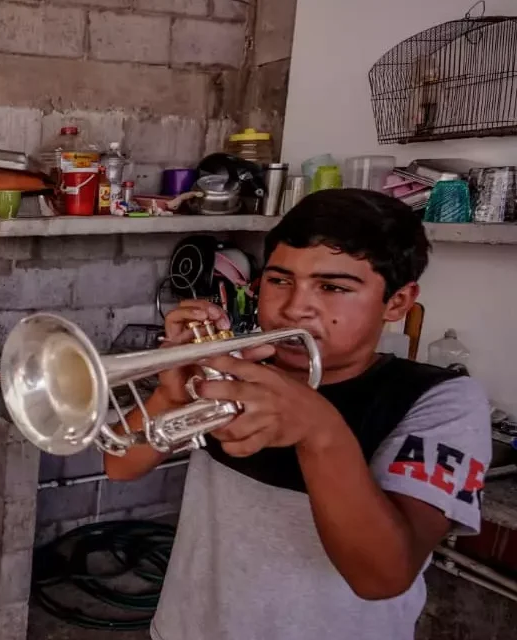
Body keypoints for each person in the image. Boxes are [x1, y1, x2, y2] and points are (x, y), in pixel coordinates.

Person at [105, 188, 493, 640]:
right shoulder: (242, 368)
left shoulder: (441, 400)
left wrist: (318, 431)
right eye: (279, 280)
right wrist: (170, 395)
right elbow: (119, 465)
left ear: (397, 303)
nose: (294, 308)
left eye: (332, 287)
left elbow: (383, 576)